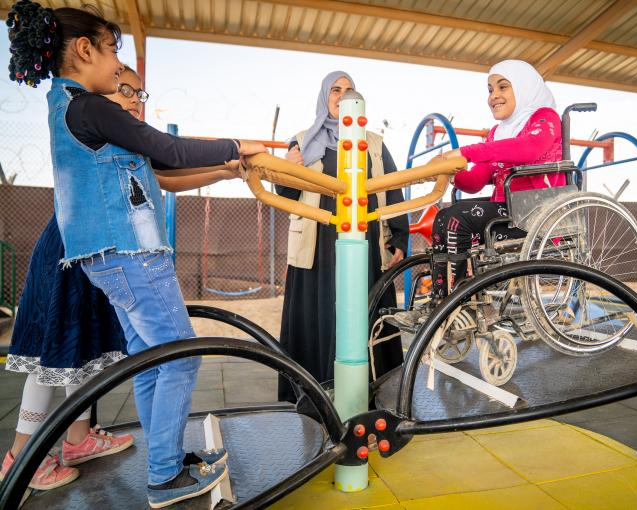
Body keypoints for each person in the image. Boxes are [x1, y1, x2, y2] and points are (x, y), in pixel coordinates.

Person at [5, 2, 267, 507]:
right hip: (132, 255)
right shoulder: (89, 106)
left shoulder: (69, 109)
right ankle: (165, 475)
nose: (118, 72)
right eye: (112, 53)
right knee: (180, 357)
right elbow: (165, 151)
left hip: (109, 261)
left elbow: (158, 168)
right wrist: (237, 145)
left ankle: (164, 460)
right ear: (85, 50)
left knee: (149, 361)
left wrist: (228, 165)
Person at [394, 59, 564, 326]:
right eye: (490, 89)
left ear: (524, 87)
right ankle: (441, 300)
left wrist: (465, 152)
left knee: (457, 217)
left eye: (503, 87)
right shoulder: (498, 133)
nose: (493, 96)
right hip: (506, 211)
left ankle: (458, 300)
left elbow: (528, 148)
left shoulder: (545, 118)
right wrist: (448, 170)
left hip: (535, 213)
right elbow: (475, 180)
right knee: (444, 215)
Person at [276, 71, 409, 402]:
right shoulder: (303, 140)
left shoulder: (374, 143)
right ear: (325, 97)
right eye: (336, 90)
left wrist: (400, 239)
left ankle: (376, 394)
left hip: (366, 243)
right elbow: (287, 194)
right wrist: (287, 168)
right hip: (317, 247)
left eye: (350, 91)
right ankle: (314, 395)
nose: (342, 96)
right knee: (320, 315)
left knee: (366, 310)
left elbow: (392, 191)